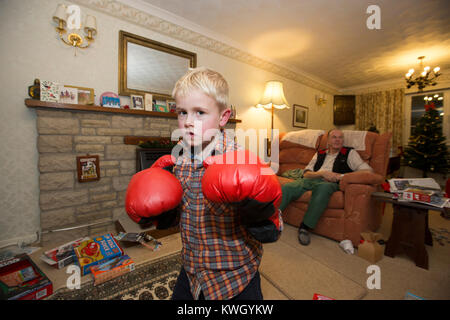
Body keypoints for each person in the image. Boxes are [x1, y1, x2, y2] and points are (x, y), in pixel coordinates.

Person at [125, 67, 282, 300]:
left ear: (223, 117)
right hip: (191, 272)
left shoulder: (241, 160)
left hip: (235, 278)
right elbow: (185, 212)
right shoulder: (177, 160)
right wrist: (164, 215)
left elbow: (276, 220)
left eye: (199, 112)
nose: (188, 121)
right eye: (182, 112)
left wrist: (262, 218)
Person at [279, 129, 373, 246]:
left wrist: (340, 176)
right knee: (288, 187)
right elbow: (306, 174)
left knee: (322, 190)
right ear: (328, 141)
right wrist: (322, 173)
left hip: (330, 183)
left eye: (340, 137)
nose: (337, 140)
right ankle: (271, 219)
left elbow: (368, 171)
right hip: (313, 179)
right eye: (334, 137)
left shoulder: (349, 153)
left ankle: (305, 227)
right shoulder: (320, 153)